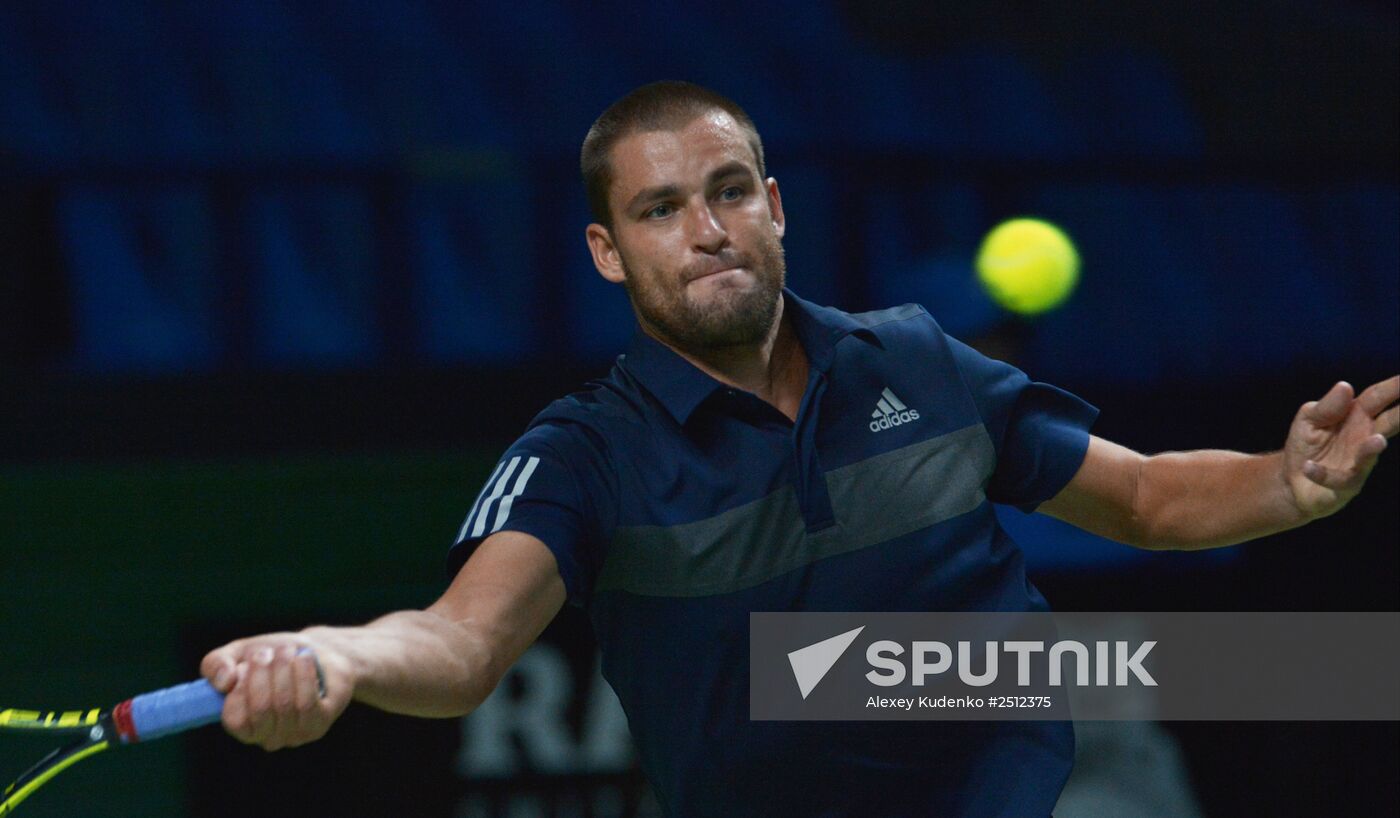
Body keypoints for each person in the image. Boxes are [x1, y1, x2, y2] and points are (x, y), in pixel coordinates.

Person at [201, 81, 1399, 817]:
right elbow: (461, 641)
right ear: (607, 252)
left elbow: (1136, 499)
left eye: (728, 191)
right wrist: (336, 653)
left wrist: (1282, 484)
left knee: (1306, 670)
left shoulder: (915, 360)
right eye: (659, 209)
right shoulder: (584, 454)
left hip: (1041, 790)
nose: (706, 229)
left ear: (776, 204)